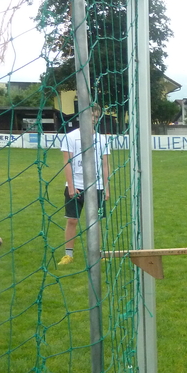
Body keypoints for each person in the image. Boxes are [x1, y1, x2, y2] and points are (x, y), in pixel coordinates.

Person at [58, 104, 110, 266]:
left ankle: (97, 253)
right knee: (72, 220)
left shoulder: (102, 139)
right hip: (77, 185)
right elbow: (67, 162)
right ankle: (68, 255)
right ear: (82, 117)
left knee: (95, 222)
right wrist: (71, 186)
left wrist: (106, 187)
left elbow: (105, 164)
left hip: (97, 186)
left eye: (95, 116)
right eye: (90, 116)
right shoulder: (70, 137)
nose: (93, 119)